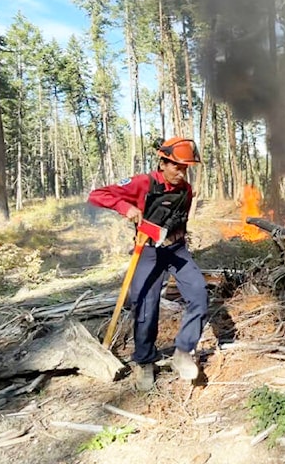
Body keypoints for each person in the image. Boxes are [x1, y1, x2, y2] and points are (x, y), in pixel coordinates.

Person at [88, 137, 205, 391]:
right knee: (144, 305)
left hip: (176, 250)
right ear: (162, 163)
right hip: (148, 251)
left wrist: (178, 238)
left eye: (185, 168)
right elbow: (97, 195)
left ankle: (183, 351)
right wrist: (124, 207)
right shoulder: (143, 182)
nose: (181, 172)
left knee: (199, 294)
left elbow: (180, 220)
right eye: (176, 166)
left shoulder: (185, 190)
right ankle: (144, 361)